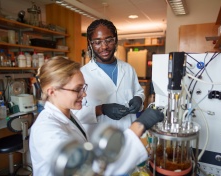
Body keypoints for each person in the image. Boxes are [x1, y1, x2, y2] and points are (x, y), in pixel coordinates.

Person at [29, 57, 164, 176]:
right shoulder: (45, 130)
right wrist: (139, 125)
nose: (84, 94)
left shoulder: (68, 116)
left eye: (84, 88)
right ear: (52, 91)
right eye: (77, 89)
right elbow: (86, 169)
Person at [72, 19, 145, 134]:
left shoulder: (128, 69)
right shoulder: (82, 74)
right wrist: (101, 109)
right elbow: (74, 114)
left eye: (109, 40)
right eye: (97, 42)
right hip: (98, 142)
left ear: (115, 40)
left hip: (129, 136)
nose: (104, 47)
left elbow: (139, 92)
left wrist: (139, 99)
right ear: (90, 44)